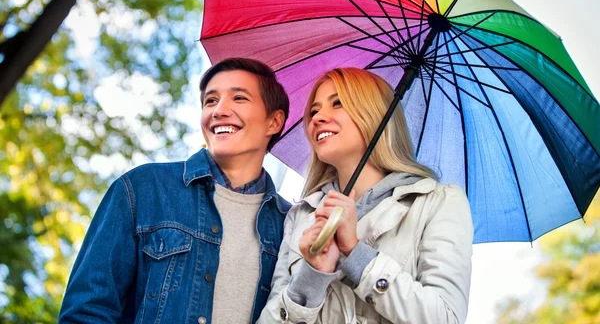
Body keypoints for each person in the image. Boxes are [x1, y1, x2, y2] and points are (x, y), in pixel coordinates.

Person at [60, 58, 292, 323]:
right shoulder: (143, 189)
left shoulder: (291, 225)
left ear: (274, 122)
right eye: (211, 101)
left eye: (238, 98)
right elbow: (87, 311)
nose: (219, 110)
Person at [259, 68, 473, 324]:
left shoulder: (437, 202)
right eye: (314, 111)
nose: (317, 118)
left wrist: (357, 253)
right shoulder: (301, 215)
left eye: (338, 103)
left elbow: (446, 318)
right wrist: (313, 275)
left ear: (373, 114)